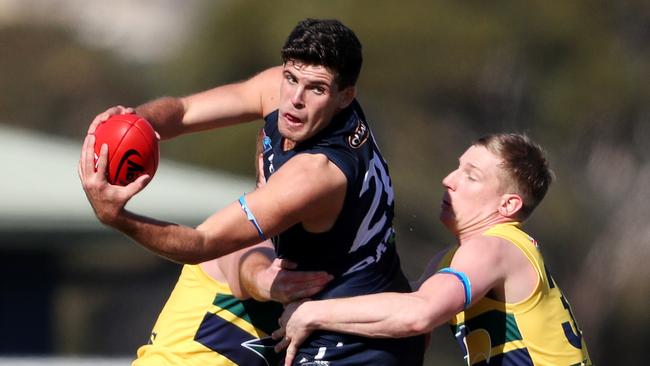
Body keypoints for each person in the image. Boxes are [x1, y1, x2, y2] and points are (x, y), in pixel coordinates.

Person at [79, 18, 424, 365]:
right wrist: (134, 122)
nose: (295, 100)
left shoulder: (314, 174)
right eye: (291, 78)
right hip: (350, 319)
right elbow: (184, 112)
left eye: (316, 89)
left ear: (345, 96)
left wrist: (116, 217)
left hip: (356, 346)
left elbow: (202, 243)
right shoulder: (286, 95)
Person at [274, 133, 593, 366]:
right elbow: (399, 309)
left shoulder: (493, 248)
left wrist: (313, 314)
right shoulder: (457, 257)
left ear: (508, 204)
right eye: (458, 167)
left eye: (471, 176)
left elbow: (419, 315)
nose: (448, 180)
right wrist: (316, 290)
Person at [132, 136, 333, 366]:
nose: (311, 181)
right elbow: (247, 260)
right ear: (263, 164)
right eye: (298, 168)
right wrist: (265, 280)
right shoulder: (240, 231)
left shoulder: (325, 259)